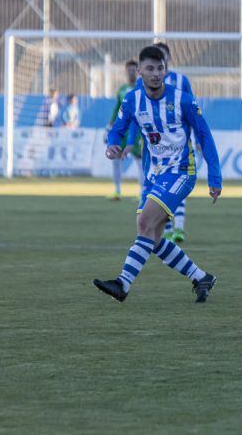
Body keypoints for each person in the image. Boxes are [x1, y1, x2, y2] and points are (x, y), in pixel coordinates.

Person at [93, 45, 222, 303]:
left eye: (159, 68)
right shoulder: (132, 100)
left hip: (181, 171)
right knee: (151, 237)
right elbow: (117, 129)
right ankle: (200, 277)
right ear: (139, 70)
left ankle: (123, 284)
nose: (155, 74)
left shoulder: (182, 100)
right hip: (154, 174)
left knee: (144, 224)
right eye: (149, 68)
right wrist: (111, 145)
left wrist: (215, 177)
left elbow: (205, 135)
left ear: (166, 69)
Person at [133, 42, 193, 243]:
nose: (158, 69)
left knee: (176, 185)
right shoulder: (141, 86)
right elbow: (135, 114)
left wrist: (194, 138)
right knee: (154, 190)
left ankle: (179, 228)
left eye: (163, 61)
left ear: (167, 62)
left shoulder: (181, 80)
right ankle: (165, 229)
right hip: (154, 149)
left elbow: (191, 110)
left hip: (177, 148)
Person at [107, 60, 140, 201]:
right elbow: (117, 108)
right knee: (115, 159)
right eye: (129, 70)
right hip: (122, 131)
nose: (131, 73)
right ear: (126, 72)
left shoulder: (142, 88)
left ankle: (143, 194)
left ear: (138, 71)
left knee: (140, 161)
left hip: (137, 131)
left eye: (134, 70)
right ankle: (117, 190)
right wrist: (111, 123)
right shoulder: (121, 89)